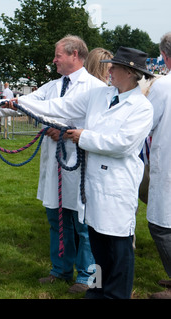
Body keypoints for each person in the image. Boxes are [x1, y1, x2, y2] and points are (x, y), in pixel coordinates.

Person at [0, 46, 154, 299]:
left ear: (131, 73)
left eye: (115, 66)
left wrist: (82, 136)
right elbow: (56, 107)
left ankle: (117, 295)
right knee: (99, 248)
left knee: (118, 250)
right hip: (93, 188)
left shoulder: (141, 107)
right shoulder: (100, 95)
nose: (109, 69)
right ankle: (97, 292)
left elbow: (123, 143)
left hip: (118, 189)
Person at [145, 32, 171, 299]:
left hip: (167, 166)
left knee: (161, 225)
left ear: (164, 56)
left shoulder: (163, 86)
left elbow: (145, 122)